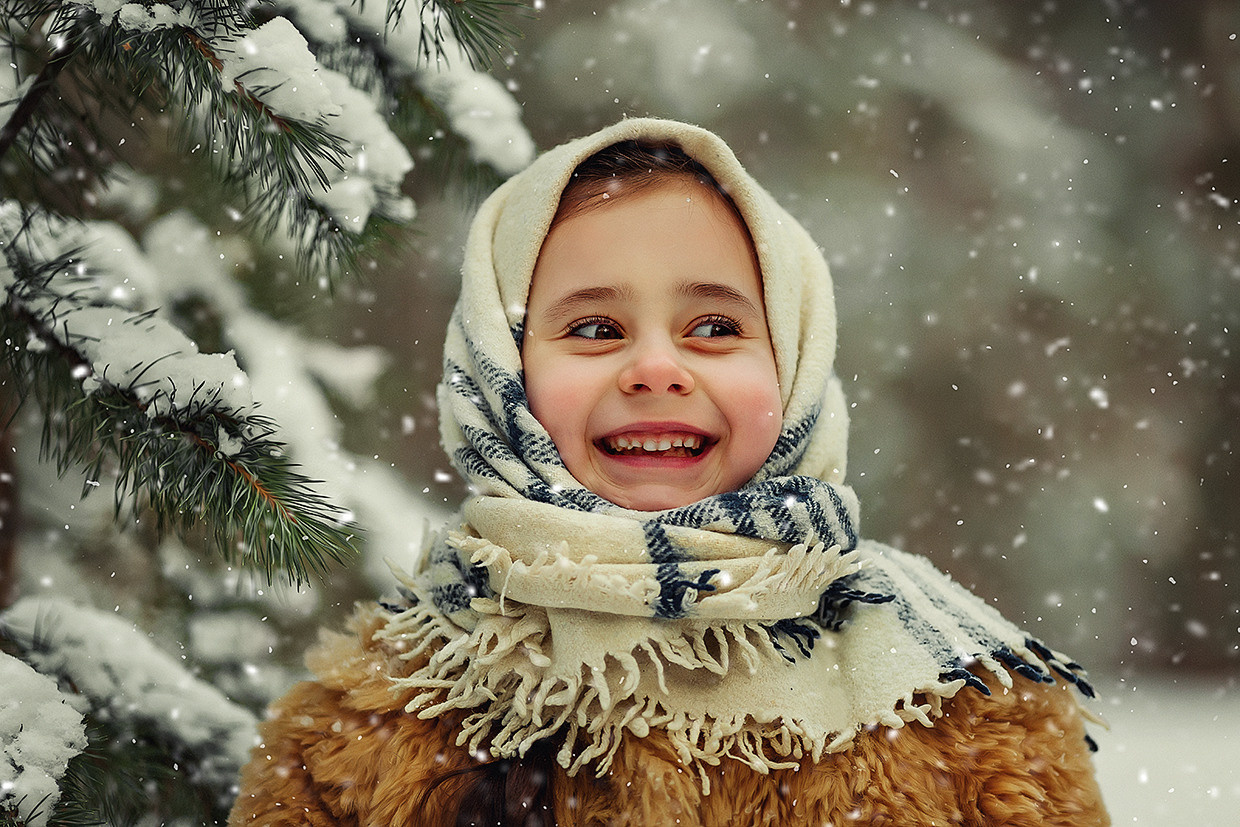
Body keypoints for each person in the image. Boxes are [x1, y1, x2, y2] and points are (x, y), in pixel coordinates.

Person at [229, 118, 1109, 826]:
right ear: (500, 372)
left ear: (796, 363)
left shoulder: (958, 698)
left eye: (715, 328)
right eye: (595, 329)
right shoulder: (375, 715)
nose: (656, 368)